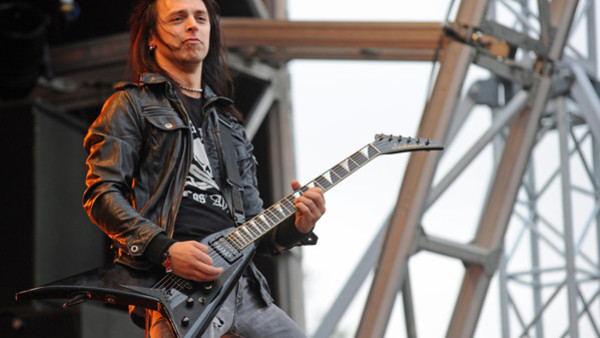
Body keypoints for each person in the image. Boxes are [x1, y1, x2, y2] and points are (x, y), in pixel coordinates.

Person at [81, 0, 326, 336]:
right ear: (151, 37)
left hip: (244, 287)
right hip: (178, 290)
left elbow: (258, 230)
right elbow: (101, 194)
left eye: (201, 18)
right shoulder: (131, 104)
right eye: (178, 18)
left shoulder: (229, 125)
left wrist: (297, 226)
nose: (194, 26)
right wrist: (165, 250)